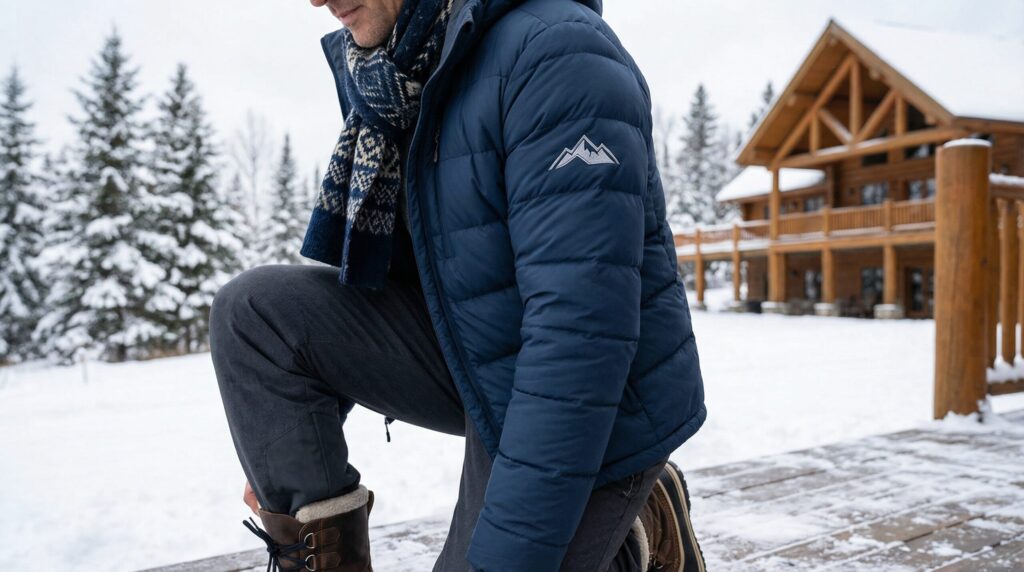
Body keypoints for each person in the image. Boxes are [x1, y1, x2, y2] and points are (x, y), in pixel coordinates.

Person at [209, 0, 707, 570]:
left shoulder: (558, 53)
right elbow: (413, 275)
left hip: (596, 392)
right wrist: (286, 440)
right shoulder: (403, 71)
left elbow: (580, 339)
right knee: (252, 315)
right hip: (478, 348)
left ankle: (638, 525)